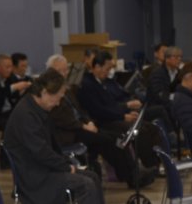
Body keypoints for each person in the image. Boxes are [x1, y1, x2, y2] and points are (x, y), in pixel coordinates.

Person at [3, 69, 118, 204]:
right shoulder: (26, 115)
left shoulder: (35, 108)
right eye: (57, 98)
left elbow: (46, 149)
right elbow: (40, 152)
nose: (58, 103)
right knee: (85, 184)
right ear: (44, 93)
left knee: (92, 176)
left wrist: (67, 164)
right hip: (35, 177)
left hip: (42, 169)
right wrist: (66, 166)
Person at [43, 55, 151, 189]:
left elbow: (80, 110)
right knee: (108, 140)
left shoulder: (66, 88)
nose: (65, 74)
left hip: (81, 127)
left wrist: (89, 122)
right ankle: (132, 177)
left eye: (66, 70)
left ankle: (133, 173)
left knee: (116, 137)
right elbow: (60, 119)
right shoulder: (50, 91)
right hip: (69, 132)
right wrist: (84, 126)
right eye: (61, 71)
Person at [146, 46, 181, 110]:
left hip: (173, 104)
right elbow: (158, 94)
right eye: (176, 57)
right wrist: (176, 97)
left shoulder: (179, 73)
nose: (179, 59)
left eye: (180, 57)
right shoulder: (157, 73)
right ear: (167, 58)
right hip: (157, 106)